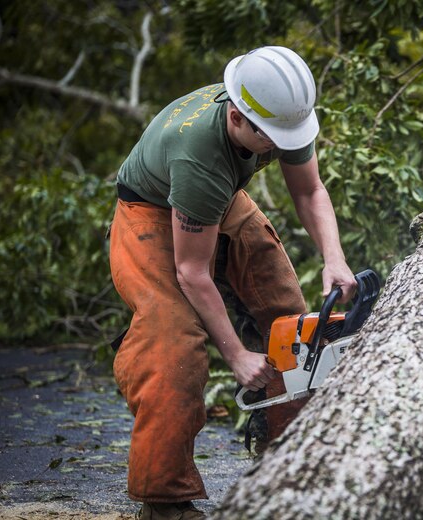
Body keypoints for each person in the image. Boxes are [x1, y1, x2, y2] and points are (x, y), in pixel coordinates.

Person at [108, 46, 357, 519]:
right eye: (275, 139)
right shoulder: (201, 153)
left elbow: (308, 189)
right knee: (172, 342)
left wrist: (334, 259)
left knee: (288, 316)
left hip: (218, 199)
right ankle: (164, 499)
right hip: (150, 213)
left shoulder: (279, 111)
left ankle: (288, 458)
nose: (284, 145)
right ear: (239, 118)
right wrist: (237, 355)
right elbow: (192, 272)